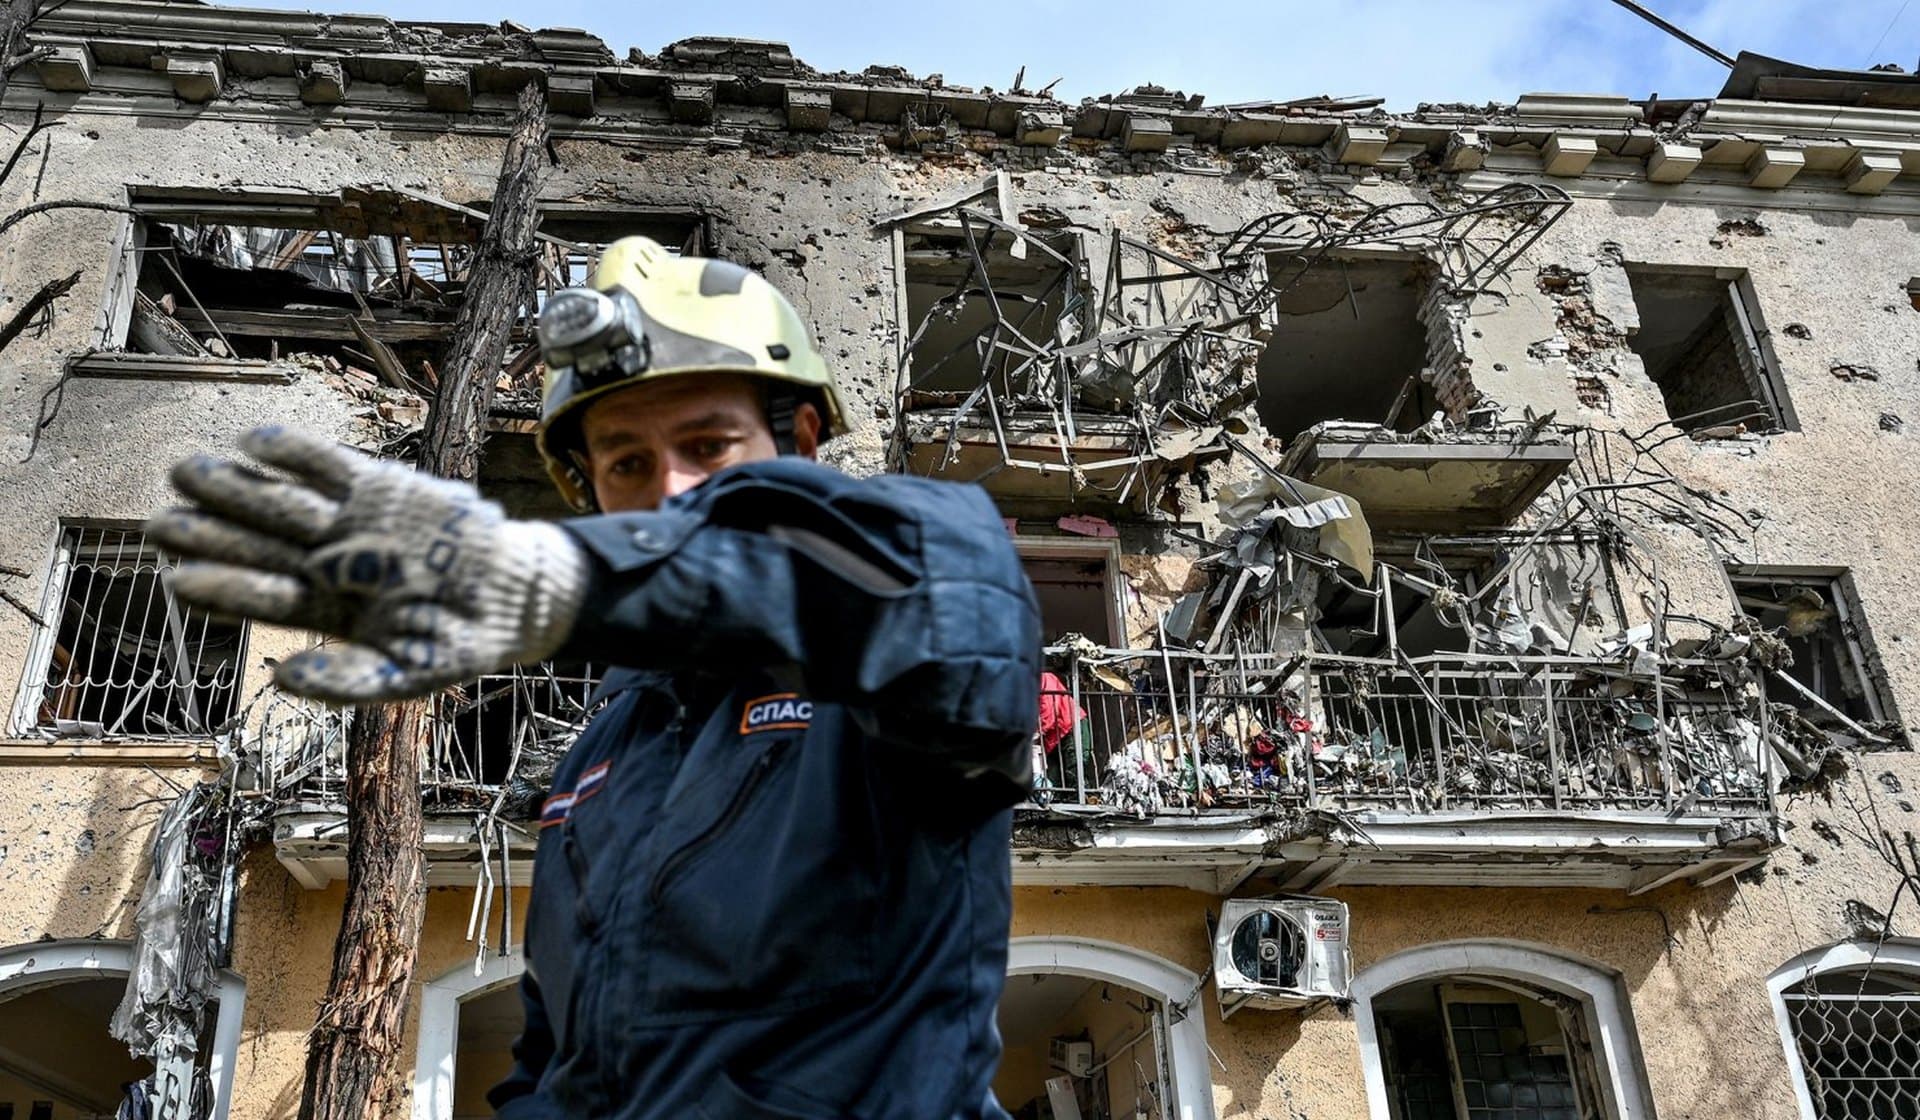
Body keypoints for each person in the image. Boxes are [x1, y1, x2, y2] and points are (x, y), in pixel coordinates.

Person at [146, 236, 1040, 1119]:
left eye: (709, 444)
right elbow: (559, 1062)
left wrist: (561, 576)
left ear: (800, 439)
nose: (673, 492)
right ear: (589, 491)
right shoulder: (605, 751)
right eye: (626, 463)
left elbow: (948, 588)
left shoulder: (893, 648)